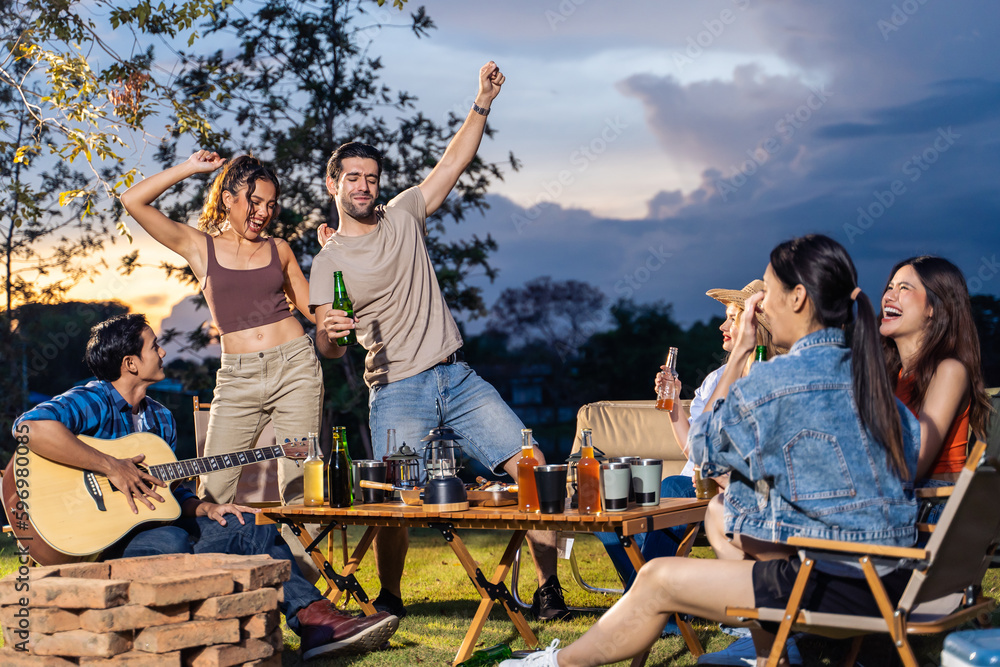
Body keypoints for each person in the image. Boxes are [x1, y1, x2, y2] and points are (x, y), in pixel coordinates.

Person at [499, 234, 920, 667]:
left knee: (657, 577)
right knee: (725, 515)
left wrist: (740, 353)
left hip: (827, 588)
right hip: (891, 582)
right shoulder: (875, 384)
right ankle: (769, 656)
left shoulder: (776, 383)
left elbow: (703, 450)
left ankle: (554, 664)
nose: (762, 307)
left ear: (797, 298)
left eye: (768, 295)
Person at [310, 62, 569, 621]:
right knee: (391, 502)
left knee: (533, 462)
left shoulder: (404, 214)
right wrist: (329, 336)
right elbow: (331, 351)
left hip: (457, 376)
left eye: (371, 177)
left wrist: (482, 102)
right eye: (352, 177)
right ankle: (392, 595)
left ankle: (549, 590)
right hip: (397, 387)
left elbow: (453, 161)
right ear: (333, 185)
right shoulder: (327, 261)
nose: (364, 185)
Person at [12, 314, 397, 660]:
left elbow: (169, 491)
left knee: (249, 527)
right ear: (130, 363)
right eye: (153, 346)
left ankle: (316, 623)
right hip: (97, 538)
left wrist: (203, 507)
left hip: (152, 525)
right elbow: (29, 427)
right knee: (172, 544)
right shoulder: (92, 399)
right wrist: (109, 465)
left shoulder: (160, 417)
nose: (161, 351)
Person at [120, 152, 331, 581]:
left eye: (271, 204)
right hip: (237, 377)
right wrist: (191, 169)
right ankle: (217, 585)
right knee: (213, 483)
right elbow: (133, 202)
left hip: (295, 366)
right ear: (228, 198)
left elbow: (316, 311)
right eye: (254, 202)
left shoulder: (280, 249)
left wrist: (332, 260)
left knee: (300, 485)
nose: (263, 213)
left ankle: (309, 601)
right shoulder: (200, 246)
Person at [596, 280, 782, 589]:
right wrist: (674, 408)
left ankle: (653, 608)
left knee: (673, 485)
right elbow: (692, 449)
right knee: (611, 510)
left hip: (728, 488)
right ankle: (659, 603)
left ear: (755, 323)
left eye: (732, 318)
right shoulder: (715, 379)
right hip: (692, 483)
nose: (722, 325)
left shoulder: (771, 376)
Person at [880, 256, 993, 484]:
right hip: (900, 498)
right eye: (890, 287)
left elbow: (915, 462)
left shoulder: (949, 370)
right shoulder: (894, 376)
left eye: (904, 288)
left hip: (934, 505)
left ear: (933, 307)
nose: (888, 296)